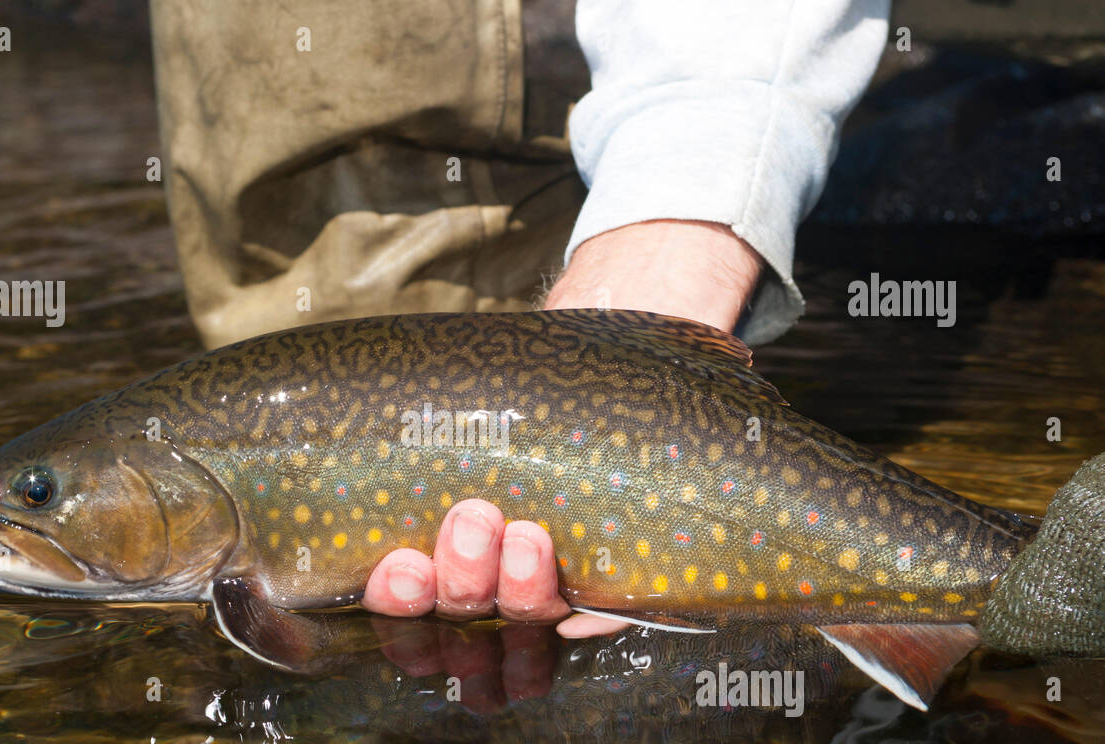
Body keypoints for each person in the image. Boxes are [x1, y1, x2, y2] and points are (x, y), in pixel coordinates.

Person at [149, 0, 889, 637]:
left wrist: (668, 246)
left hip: (580, 247)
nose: (29, 514)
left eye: (38, 495)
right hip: (267, 336)